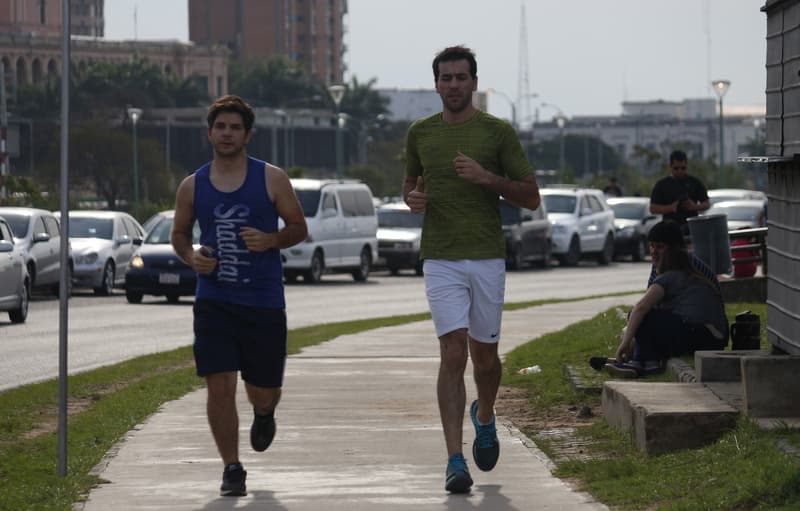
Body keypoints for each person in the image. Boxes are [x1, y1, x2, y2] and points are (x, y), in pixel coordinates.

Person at [404, 45, 540, 494]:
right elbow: (411, 186)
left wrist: (488, 179)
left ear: (474, 82)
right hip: (440, 256)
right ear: (436, 84)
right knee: (451, 354)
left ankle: (484, 415)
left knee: (485, 359)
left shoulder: (497, 133)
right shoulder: (420, 133)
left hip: (486, 256)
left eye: (461, 78)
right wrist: (413, 200)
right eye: (446, 78)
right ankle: (454, 460)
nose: (454, 85)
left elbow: (530, 196)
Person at [171, 95, 308, 497]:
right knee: (219, 384)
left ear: (248, 135)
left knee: (262, 391)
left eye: (234, 128)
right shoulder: (192, 185)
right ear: (209, 132)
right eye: (220, 127)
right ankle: (232, 468)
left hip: (263, 302)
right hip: (214, 302)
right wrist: (191, 257)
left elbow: (299, 228)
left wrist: (271, 240)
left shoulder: (271, 179)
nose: (226, 134)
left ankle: (264, 414)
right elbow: (180, 235)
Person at [605, 243, 729, 378]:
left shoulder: (669, 277)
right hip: (715, 339)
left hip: (700, 335)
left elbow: (640, 308)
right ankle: (638, 358)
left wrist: (626, 343)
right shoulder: (693, 277)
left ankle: (645, 362)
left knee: (644, 317)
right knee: (653, 320)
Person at [649, 150, 710, 234]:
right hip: (670, 229)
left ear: (687, 166)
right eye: (676, 168)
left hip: (691, 227)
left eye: (683, 168)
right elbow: (653, 208)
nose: (680, 171)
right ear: (670, 166)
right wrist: (671, 208)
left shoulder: (694, 182)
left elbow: (706, 203)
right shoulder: (662, 185)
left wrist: (694, 207)